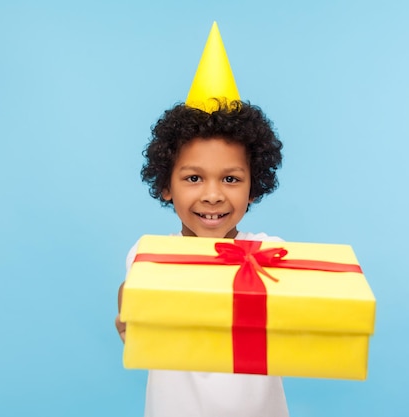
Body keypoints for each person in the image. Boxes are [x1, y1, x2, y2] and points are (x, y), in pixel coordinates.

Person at [115, 22, 290, 417]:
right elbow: (131, 294)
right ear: (166, 185)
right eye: (193, 178)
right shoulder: (150, 253)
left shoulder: (266, 252)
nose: (213, 194)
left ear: (253, 186)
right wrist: (129, 314)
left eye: (231, 179)